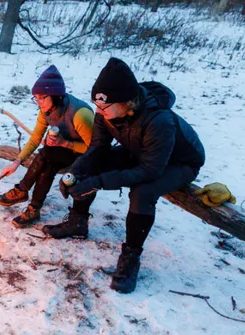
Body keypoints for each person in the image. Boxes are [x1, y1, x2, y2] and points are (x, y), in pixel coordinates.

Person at [45, 57, 206, 294]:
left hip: (179, 162)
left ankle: (131, 255)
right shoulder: (107, 112)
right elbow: (97, 147)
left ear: (126, 102)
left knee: (143, 192)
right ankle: (77, 222)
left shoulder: (158, 120)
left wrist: (98, 183)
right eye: (97, 106)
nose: (98, 112)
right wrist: (76, 172)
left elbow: (150, 170)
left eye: (103, 107)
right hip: (139, 150)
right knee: (93, 165)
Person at [0, 65, 94, 228]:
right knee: (47, 162)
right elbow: (36, 138)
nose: (38, 102)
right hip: (66, 150)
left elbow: (95, 149)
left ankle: (21, 189)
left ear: (56, 96)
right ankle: (33, 209)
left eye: (42, 97)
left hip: (85, 156)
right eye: (36, 98)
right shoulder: (45, 111)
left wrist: (64, 143)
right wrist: (17, 161)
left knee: (46, 154)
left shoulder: (80, 114)